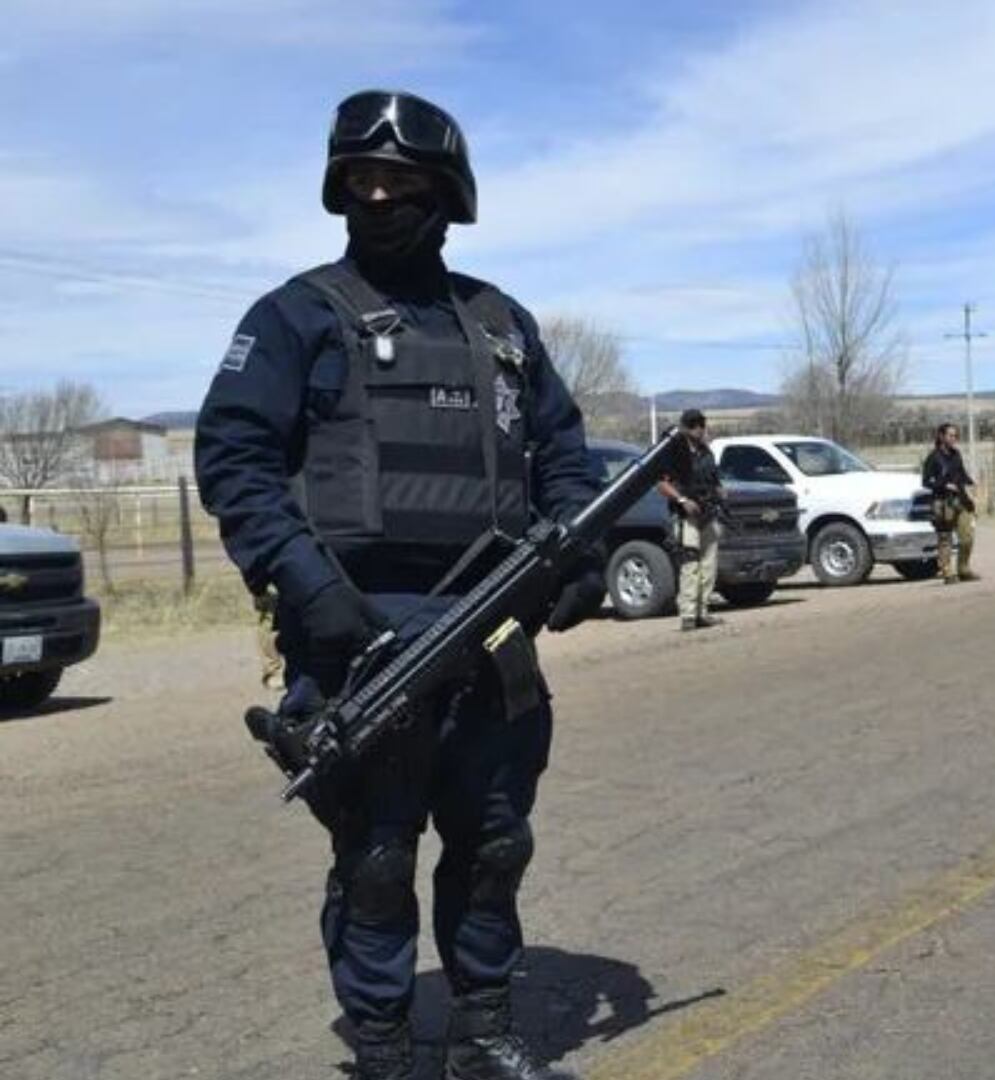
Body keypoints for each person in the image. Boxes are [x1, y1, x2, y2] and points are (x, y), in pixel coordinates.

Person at [194, 90, 602, 1080]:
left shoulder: (502, 323)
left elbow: (565, 451)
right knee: (377, 858)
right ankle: (381, 1043)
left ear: (446, 196)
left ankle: (482, 1028)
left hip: (495, 628)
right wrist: (309, 586)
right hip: (359, 635)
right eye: (360, 183)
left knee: (495, 843)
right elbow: (233, 458)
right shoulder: (298, 316)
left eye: (401, 183)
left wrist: (580, 548)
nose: (378, 199)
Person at [656, 408, 724, 631]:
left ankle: (702, 612)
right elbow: (662, 484)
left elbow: (714, 479)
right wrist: (683, 500)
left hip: (708, 513)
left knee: (709, 566)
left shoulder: (706, 452)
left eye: (701, 424)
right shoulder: (675, 453)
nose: (699, 428)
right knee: (690, 565)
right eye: (694, 424)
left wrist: (720, 491)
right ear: (685, 427)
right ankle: (687, 614)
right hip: (687, 516)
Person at [921, 422, 977, 583]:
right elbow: (925, 482)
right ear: (941, 436)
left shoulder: (956, 454)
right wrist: (944, 484)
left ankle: (964, 569)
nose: (954, 438)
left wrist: (971, 484)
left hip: (960, 500)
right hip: (942, 502)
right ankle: (947, 572)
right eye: (950, 435)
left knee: (967, 537)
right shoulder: (933, 457)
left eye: (955, 436)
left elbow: (962, 474)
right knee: (945, 538)